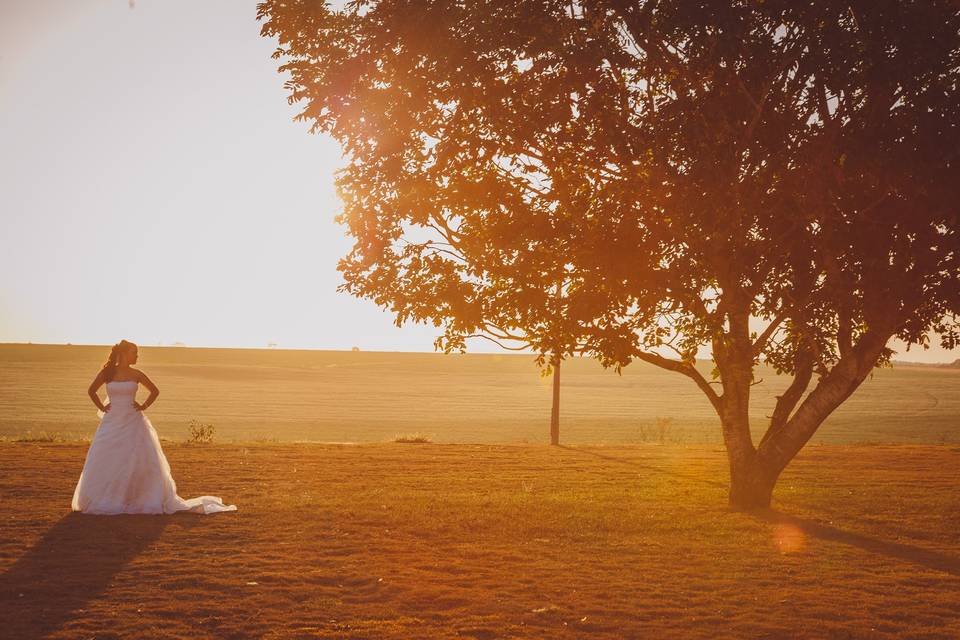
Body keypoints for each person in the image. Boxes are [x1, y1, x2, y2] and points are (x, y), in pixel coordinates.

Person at [71, 340, 236, 515]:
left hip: (133, 421)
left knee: (136, 459)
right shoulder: (107, 373)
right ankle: (107, 496)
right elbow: (91, 391)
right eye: (134, 352)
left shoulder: (137, 374)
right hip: (112, 421)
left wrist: (143, 406)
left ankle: (134, 496)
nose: (136, 356)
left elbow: (155, 391)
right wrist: (103, 407)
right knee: (108, 458)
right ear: (124, 353)